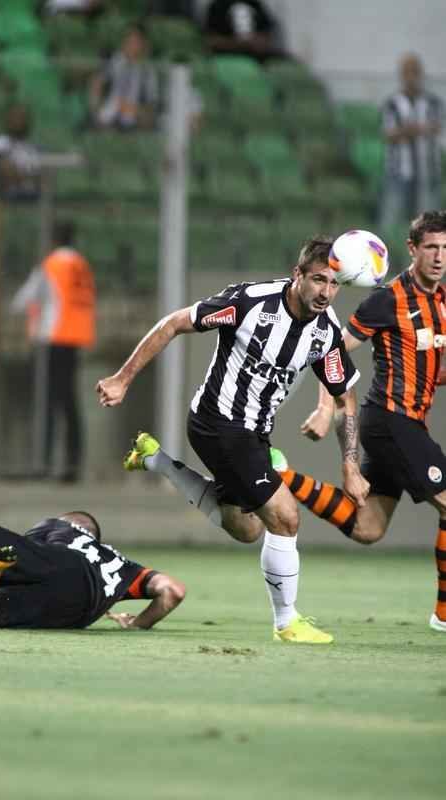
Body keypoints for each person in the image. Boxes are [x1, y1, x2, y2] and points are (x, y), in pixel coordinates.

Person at [96, 236, 370, 644]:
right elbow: (173, 323)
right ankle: (287, 623)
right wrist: (122, 378)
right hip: (217, 424)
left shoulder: (325, 332)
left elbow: (345, 397)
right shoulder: (249, 303)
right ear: (297, 275)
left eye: (334, 284)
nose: (326, 292)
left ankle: (156, 460)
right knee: (286, 517)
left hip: (255, 433)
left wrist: (350, 465)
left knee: (246, 529)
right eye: (318, 280)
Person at [271, 211, 446, 633]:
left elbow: (432, 366)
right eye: (431, 248)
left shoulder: (441, 301)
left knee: (368, 527)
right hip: (390, 420)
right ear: (412, 249)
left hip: (409, 422)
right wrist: (326, 407)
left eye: (445, 248)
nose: (439, 257)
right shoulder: (388, 300)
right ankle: (444, 614)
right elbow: (330, 350)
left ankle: (280, 475)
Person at [0, 428, 185, 631]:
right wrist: (137, 623)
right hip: (79, 607)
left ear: (70, 523)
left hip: (55, 562)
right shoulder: (123, 567)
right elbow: (173, 590)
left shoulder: (57, 529)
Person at [11, 220, 97, 482]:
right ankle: (73, 462)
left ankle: (43, 462)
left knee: (47, 402)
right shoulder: (81, 265)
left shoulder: (51, 266)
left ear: (52, 239)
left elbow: (22, 300)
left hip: (53, 339)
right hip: (75, 340)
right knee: (69, 402)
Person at [379, 54, 443, 229]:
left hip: (428, 171)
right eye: (407, 72)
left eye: (415, 72)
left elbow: (436, 127)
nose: (411, 77)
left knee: (429, 225)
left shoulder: (433, 102)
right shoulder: (392, 103)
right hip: (398, 171)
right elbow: (389, 134)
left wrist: (407, 130)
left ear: (420, 74)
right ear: (401, 75)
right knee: (390, 222)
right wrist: (417, 129)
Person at [89, 23, 159, 130]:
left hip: (133, 119)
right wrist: (96, 108)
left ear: (143, 45)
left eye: (134, 42)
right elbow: (97, 83)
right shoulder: (115, 61)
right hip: (108, 116)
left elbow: (151, 103)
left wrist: (137, 111)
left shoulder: (147, 70)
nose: (130, 45)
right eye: (128, 40)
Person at [0, 104, 42, 202]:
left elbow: (41, 176)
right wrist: (28, 180)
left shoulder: (33, 148)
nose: (19, 122)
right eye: (15, 118)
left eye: (22, 118)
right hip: (8, 196)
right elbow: (5, 169)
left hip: (33, 196)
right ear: (8, 121)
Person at [202, 0, 288, 63]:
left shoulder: (255, 4)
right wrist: (237, 44)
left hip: (259, 58)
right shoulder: (217, 6)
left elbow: (267, 37)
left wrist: (257, 42)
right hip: (227, 58)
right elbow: (210, 40)